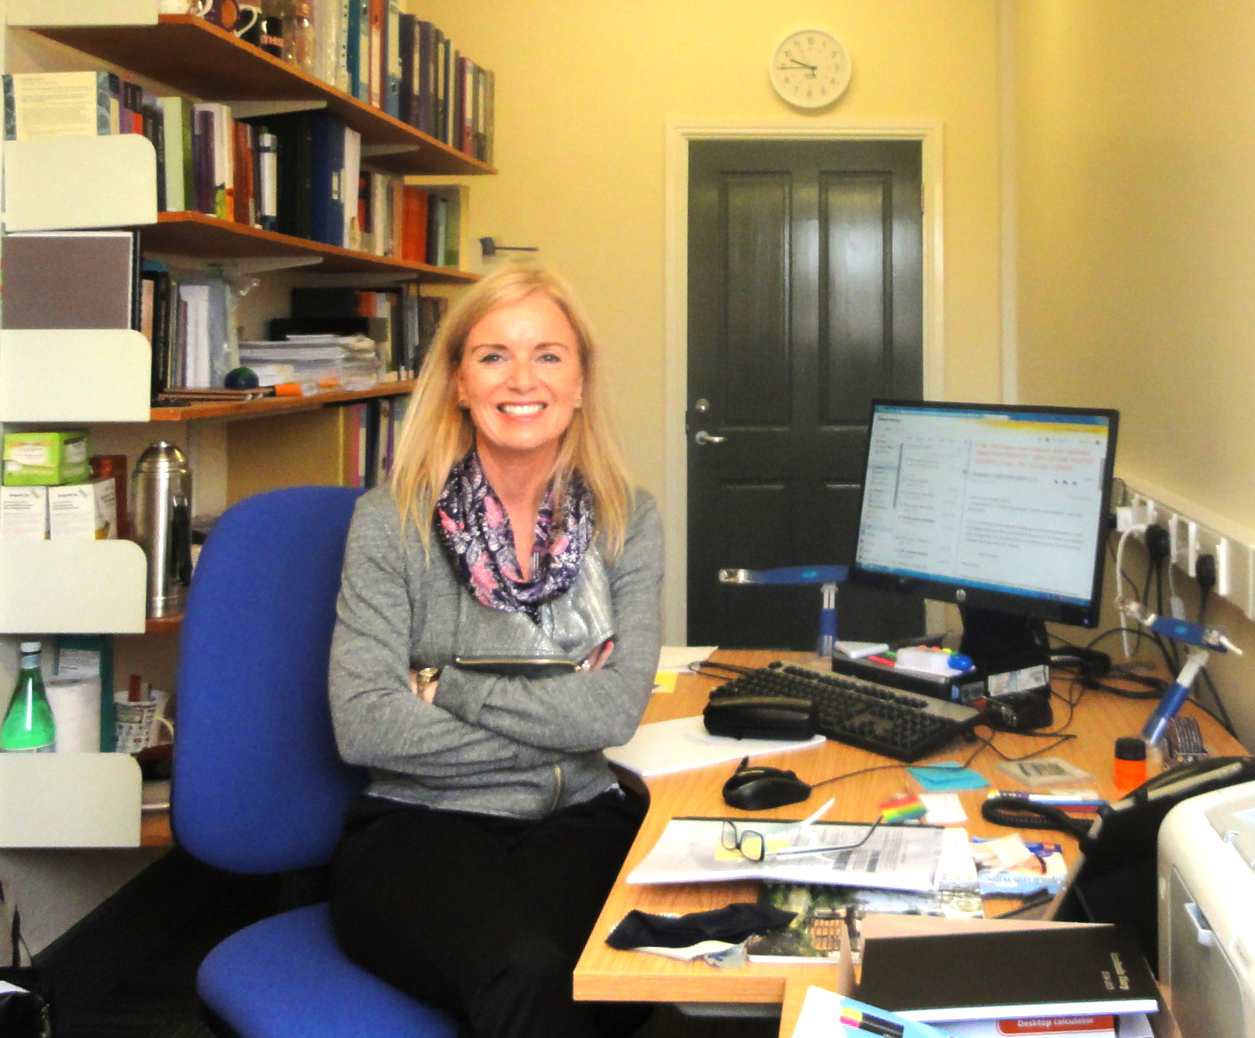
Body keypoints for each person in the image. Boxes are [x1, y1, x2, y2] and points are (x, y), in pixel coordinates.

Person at [327, 262, 664, 1038]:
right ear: (457, 382)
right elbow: (366, 725)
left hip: (579, 818)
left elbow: (611, 711)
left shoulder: (625, 519)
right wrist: (558, 721)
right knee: (531, 971)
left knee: (620, 963)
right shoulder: (389, 522)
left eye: (548, 354)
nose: (523, 378)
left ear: (579, 381)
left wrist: (444, 686)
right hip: (417, 825)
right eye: (492, 355)